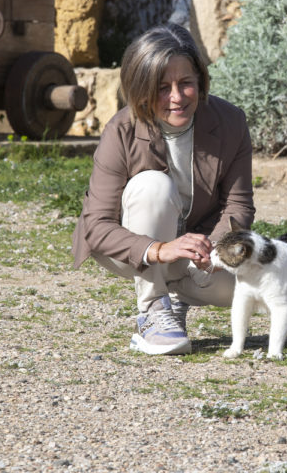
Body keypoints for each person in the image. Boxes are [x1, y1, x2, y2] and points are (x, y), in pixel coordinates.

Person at [72, 24, 255, 356]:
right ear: (140, 89)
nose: (177, 97)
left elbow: (238, 204)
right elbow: (97, 226)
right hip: (129, 249)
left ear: (200, 81)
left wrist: (212, 251)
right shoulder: (121, 130)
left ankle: (175, 297)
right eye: (161, 87)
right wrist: (158, 249)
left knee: (251, 286)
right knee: (152, 186)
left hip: (194, 251)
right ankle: (153, 310)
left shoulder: (231, 122)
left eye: (186, 83)